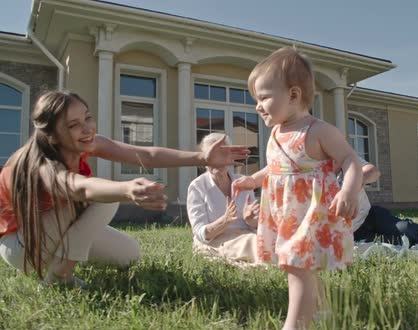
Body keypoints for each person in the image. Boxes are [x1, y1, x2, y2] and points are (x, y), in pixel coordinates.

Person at [0, 91, 249, 286]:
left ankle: (62, 259)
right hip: (22, 246)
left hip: (52, 230)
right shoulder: (41, 164)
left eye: (87, 117)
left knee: (129, 253)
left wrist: (202, 158)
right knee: (104, 198)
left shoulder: (85, 143)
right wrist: (126, 189)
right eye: (73, 125)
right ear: (52, 135)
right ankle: (60, 275)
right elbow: (81, 188)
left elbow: (146, 155)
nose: (87, 128)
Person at [232, 47, 362, 330]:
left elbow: (350, 160)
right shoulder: (276, 132)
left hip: (311, 214)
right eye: (257, 98)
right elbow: (277, 167)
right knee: (303, 264)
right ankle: (324, 310)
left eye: (264, 97)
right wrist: (253, 180)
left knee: (296, 265)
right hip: (285, 216)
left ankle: (295, 326)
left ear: (293, 95)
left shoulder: (318, 131)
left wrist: (349, 191)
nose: (257, 105)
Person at [187, 132, 260, 263]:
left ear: (230, 158)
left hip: (245, 236)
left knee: (269, 240)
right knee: (254, 243)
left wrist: (252, 221)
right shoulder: (197, 186)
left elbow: (256, 224)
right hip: (216, 241)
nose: (217, 161)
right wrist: (224, 221)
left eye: (222, 155)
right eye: (211, 156)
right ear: (203, 160)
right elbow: (200, 233)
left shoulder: (243, 182)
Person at [349, 159, 418, 246]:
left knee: (407, 228)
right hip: (352, 233)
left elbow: (373, 171)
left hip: (370, 215)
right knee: (397, 244)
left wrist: (357, 180)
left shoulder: (343, 155)